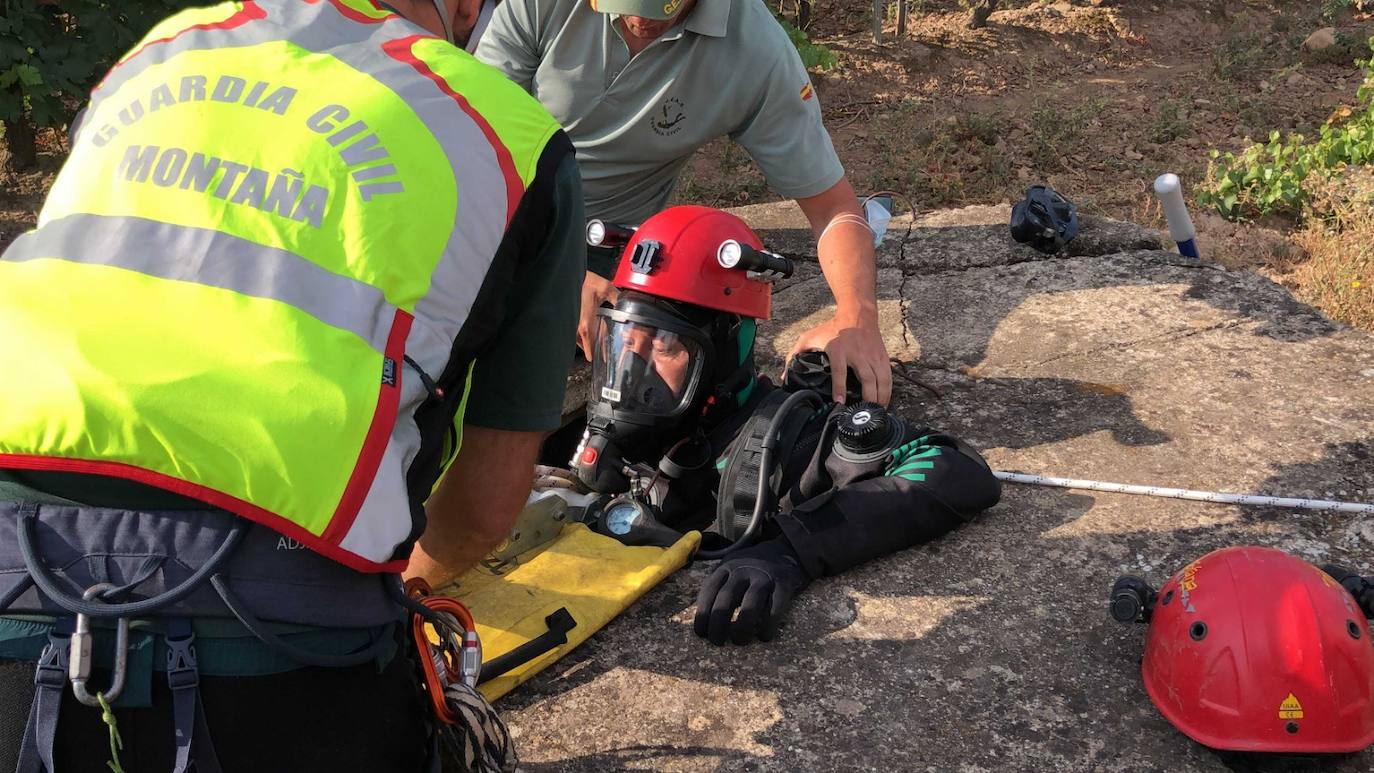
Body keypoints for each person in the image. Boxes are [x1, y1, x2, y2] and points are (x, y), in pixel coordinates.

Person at [0, 0, 582, 770]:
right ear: (468, 8)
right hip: (288, 653)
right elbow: (481, 513)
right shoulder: (514, 137)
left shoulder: (163, 48)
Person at [567, 206, 1001, 645]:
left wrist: (794, 549)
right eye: (623, 340)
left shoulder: (797, 440)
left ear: (724, 352)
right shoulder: (625, 438)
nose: (632, 369)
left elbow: (955, 468)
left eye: (665, 348)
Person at [474, 0, 894, 406]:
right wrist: (554, 269)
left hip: (617, 254)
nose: (638, 18)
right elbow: (473, 150)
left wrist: (856, 319)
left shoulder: (754, 50)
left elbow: (833, 207)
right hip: (500, 220)